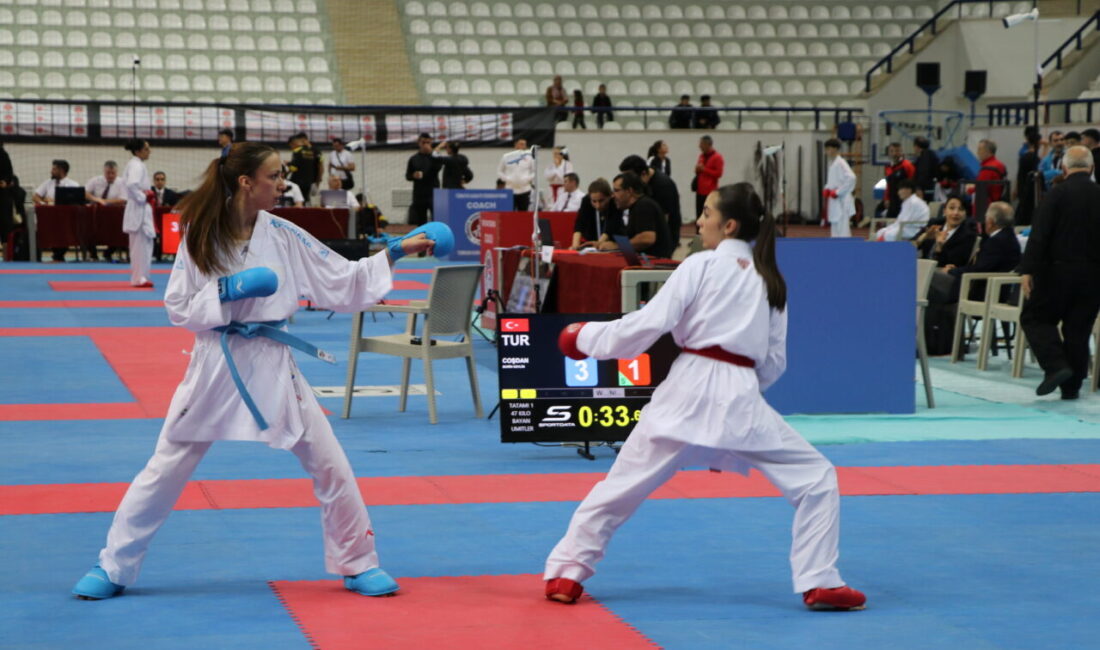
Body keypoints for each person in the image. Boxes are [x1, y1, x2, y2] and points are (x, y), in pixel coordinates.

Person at [70, 141, 439, 602]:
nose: (282, 183)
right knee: (164, 470)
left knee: (332, 465)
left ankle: (358, 561)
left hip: (272, 361)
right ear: (246, 182)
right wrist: (226, 290)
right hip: (215, 363)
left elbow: (340, 280)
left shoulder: (283, 233)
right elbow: (179, 308)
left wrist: (395, 253)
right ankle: (113, 565)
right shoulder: (201, 233)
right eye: (274, 176)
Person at [545, 182, 866, 612]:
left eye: (708, 212)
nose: (700, 219)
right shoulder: (771, 280)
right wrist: (740, 398)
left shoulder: (699, 266)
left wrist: (584, 338)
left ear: (728, 224)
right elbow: (774, 363)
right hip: (740, 397)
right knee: (817, 478)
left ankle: (567, 572)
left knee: (620, 488)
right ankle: (820, 580)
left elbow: (645, 325)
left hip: (686, 391)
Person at [1019, 146, 1100, 399]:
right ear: (1092, 168)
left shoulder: (1055, 195)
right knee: (1078, 329)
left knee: (1035, 318)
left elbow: (1039, 236)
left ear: (1064, 169)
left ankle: (1055, 366)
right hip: (1093, 276)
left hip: (1056, 272)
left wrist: (1027, 270)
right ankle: (1071, 386)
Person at [933, 201, 1021, 304]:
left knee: (930, 280)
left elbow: (978, 269)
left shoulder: (996, 241)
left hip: (983, 291)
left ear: (990, 221)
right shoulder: (1008, 237)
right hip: (994, 287)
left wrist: (952, 271)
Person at [601, 172, 673, 258]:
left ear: (629, 191)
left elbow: (647, 238)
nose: (613, 195)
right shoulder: (637, 206)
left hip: (654, 265)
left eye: (616, 190)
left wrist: (617, 246)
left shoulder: (644, 206)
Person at [619, 154, 682, 249]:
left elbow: (664, 218)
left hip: (663, 239)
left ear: (643, 173)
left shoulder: (663, 186)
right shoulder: (643, 183)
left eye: (631, 178)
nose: (628, 183)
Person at [121, 138, 156, 287]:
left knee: (145, 243)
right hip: (138, 207)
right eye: (146, 149)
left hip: (140, 207)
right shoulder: (136, 165)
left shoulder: (136, 164)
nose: (149, 151)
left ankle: (141, 276)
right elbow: (131, 185)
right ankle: (138, 278)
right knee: (140, 245)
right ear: (138, 151)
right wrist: (144, 196)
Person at [33, 159, 82, 262]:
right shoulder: (48, 183)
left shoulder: (73, 184)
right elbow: (36, 196)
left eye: (54, 169)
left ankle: (58, 255)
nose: (51, 171)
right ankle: (55, 254)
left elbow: (76, 201)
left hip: (66, 219)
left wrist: (55, 201)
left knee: (64, 229)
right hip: (50, 217)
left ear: (61, 170)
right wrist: (43, 202)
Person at [914, 195, 977, 268]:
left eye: (961, 209)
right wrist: (924, 236)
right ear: (944, 211)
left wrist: (939, 247)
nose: (956, 213)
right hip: (921, 268)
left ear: (966, 214)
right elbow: (911, 246)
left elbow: (953, 264)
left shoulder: (968, 235)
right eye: (951, 208)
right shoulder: (934, 224)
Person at [821, 138, 856, 238]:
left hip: (842, 199)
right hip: (834, 200)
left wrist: (838, 192)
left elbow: (852, 177)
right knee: (835, 225)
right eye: (826, 149)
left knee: (843, 227)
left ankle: (845, 249)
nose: (827, 151)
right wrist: (827, 189)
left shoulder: (841, 162)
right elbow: (833, 181)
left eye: (829, 148)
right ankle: (835, 248)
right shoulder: (832, 163)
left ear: (836, 149)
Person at [570, 177, 618, 249]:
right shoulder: (586, 200)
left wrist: (598, 244)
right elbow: (579, 224)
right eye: (594, 201)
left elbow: (610, 227)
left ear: (610, 196)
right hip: (592, 240)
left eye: (601, 201)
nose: (597, 205)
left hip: (612, 243)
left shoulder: (615, 203)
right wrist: (575, 246)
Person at [405, 132, 442, 225]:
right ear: (419, 143)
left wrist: (432, 153)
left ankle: (436, 238)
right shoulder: (413, 159)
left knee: (436, 218)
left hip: (433, 192)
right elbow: (408, 175)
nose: (425, 145)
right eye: (423, 142)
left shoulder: (435, 157)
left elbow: (437, 168)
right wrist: (413, 175)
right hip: (419, 194)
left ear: (431, 143)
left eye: (428, 143)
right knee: (421, 221)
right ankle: (423, 238)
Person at [968, 139, 1007, 216]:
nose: (977, 152)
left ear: (987, 151)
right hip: (996, 205)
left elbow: (980, 188)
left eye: (980, 149)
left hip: (985, 208)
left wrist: (969, 189)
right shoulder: (1000, 165)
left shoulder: (987, 169)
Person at [498, 138, 535, 211]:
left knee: (523, 213)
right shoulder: (506, 157)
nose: (523, 146)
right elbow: (499, 171)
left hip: (525, 189)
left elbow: (534, 172)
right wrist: (507, 179)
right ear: (516, 145)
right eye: (521, 144)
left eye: (525, 144)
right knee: (510, 212)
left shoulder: (530, 158)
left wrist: (527, 179)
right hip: (510, 189)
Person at [1015, 127, 1042, 225]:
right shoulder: (1033, 158)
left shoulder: (1024, 155)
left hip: (1023, 189)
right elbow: (1040, 169)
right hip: (1030, 192)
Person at [882, 142, 915, 220]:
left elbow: (913, 182)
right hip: (893, 200)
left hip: (904, 199)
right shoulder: (888, 167)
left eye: (897, 151)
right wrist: (886, 198)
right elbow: (888, 185)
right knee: (889, 222)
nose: (894, 153)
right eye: (892, 151)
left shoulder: (907, 165)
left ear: (901, 152)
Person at [694, 135, 724, 218]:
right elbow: (698, 172)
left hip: (710, 191)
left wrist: (705, 169)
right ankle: (699, 231)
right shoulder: (701, 156)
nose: (699, 146)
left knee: (708, 215)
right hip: (700, 190)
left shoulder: (717, 157)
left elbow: (719, 174)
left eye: (701, 144)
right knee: (699, 215)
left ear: (707, 144)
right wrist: (697, 169)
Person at [287, 132, 321, 205]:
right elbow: (319, 167)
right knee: (305, 200)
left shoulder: (297, 151)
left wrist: (288, 166)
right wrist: (317, 182)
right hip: (309, 181)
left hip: (297, 180)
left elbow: (294, 168)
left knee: (296, 200)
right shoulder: (315, 151)